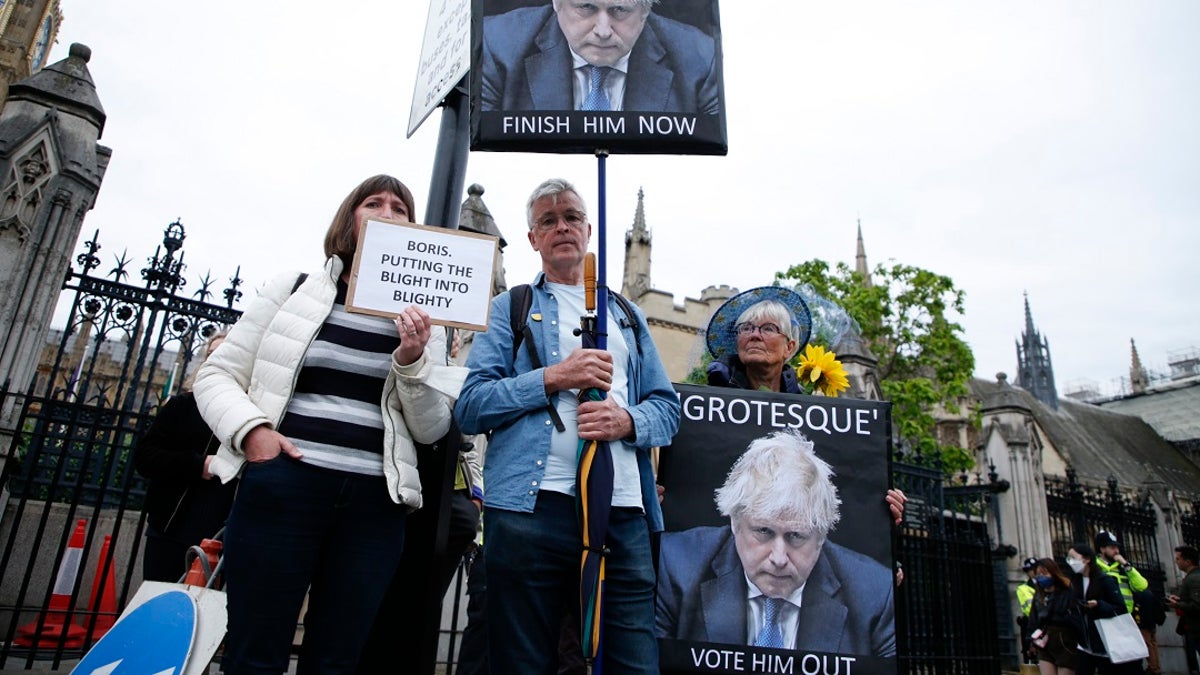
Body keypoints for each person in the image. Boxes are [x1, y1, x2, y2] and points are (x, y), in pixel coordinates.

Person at [194, 175, 467, 674]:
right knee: (255, 653)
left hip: (373, 506)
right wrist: (254, 435)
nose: (388, 212)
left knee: (338, 659)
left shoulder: (428, 321)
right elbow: (217, 373)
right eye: (373, 203)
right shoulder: (292, 290)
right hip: (284, 488)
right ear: (350, 219)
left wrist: (411, 360)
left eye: (401, 209)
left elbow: (430, 430)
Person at [454, 177, 680, 674]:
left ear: (588, 228)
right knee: (521, 662)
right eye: (548, 220)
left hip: (622, 512)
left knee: (635, 661)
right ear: (533, 238)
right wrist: (555, 377)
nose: (562, 227)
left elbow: (667, 408)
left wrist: (626, 420)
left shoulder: (626, 314)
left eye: (571, 217)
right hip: (529, 509)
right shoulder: (509, 308)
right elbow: (470, 406)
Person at [655, 429, 896, 657]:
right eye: (763, 531)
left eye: (796, 536)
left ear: (821, 536)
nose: (779, 559)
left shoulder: (875, 593)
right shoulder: (676, 565)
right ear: (735, 524)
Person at [703, 286, 907, 524]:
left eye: (768, 328)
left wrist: (881, 505)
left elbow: (841, 483)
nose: (754, 335)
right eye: (746, 328)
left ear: (789, 347)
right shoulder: (708, 405)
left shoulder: (814, 414)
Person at [481, 0, 721, 114]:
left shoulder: (700, 59)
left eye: (620, 10)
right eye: (586, 7)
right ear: (557, 3)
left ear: (645, 12)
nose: (603, 31)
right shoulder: (497, 43)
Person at [134, 331, 236, 583]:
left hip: (221, 540)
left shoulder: (250, 417)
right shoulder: (183, 406)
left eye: (225, 354)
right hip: (170, 529)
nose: (216, 360)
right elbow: (145, 457)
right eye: (211, 355)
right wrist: (199, 464)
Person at [1066, 544, 1134, 675]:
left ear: (1086, 559)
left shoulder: (1104, 580)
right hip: (1084, 643)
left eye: (1073, 558)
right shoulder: (1075, 581)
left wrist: (1099, 605)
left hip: (1105, 641)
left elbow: (1120, 608)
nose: (1071, 562)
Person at [1026, 557, 1080, 675]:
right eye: (1038, 574)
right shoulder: (1039, 595)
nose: (1041, 577)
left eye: (1044, 573)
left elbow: (1069, 613)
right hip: (1044, 639)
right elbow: (1033, 618)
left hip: (1064, 639)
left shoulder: (1066, 590)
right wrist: (1030, 640)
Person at [1094, 530, 1150, 614]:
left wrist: (1126, 565)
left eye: (1117, 548)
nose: (1117, 551)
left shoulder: (1123, 567)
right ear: (1102, 549)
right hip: (1105, 614)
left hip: (1126, 615)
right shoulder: (1094, 566)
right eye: (1112, 548)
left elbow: (1141, 586)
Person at [1168, 545, 1200, 675]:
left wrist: (1178, 605)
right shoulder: (1192, 577)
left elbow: (1197, 606)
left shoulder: (1193, 579)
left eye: (1178, 559)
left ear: (1188, 561)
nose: (1176, 562)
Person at [1131, 588, 1165, 675]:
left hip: (1144, 624)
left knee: (1148, 645)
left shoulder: (1138, 593)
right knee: (1153, 644)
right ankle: (1155, 667)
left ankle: (1153, 668)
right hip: (1151, 623)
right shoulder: (1149, 592)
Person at [1018, 556, 1042, 662]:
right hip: (1033, 621)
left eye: (1034, 569)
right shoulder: (1023, 588)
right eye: (1030, 570)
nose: (1032, 572)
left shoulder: (1046, 582)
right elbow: (1028, 608)